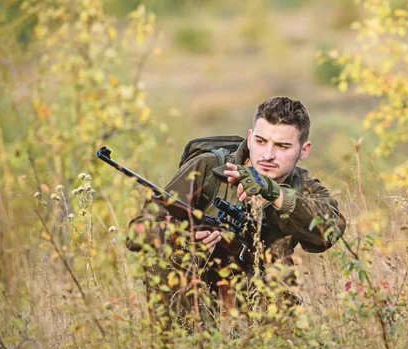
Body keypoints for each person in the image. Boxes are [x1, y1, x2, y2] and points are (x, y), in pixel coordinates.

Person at [127, 96, 346, 329]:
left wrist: (275, 194)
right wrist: (178, 236)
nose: (268, 155)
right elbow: (136, 233)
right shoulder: (208, 168)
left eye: (282, 146)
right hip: (198, 291)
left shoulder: (304, 187)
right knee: (169, 258)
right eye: (261, 142)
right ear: (250, 138)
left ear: (304, 150)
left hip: (263, 299)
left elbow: (330, 231)